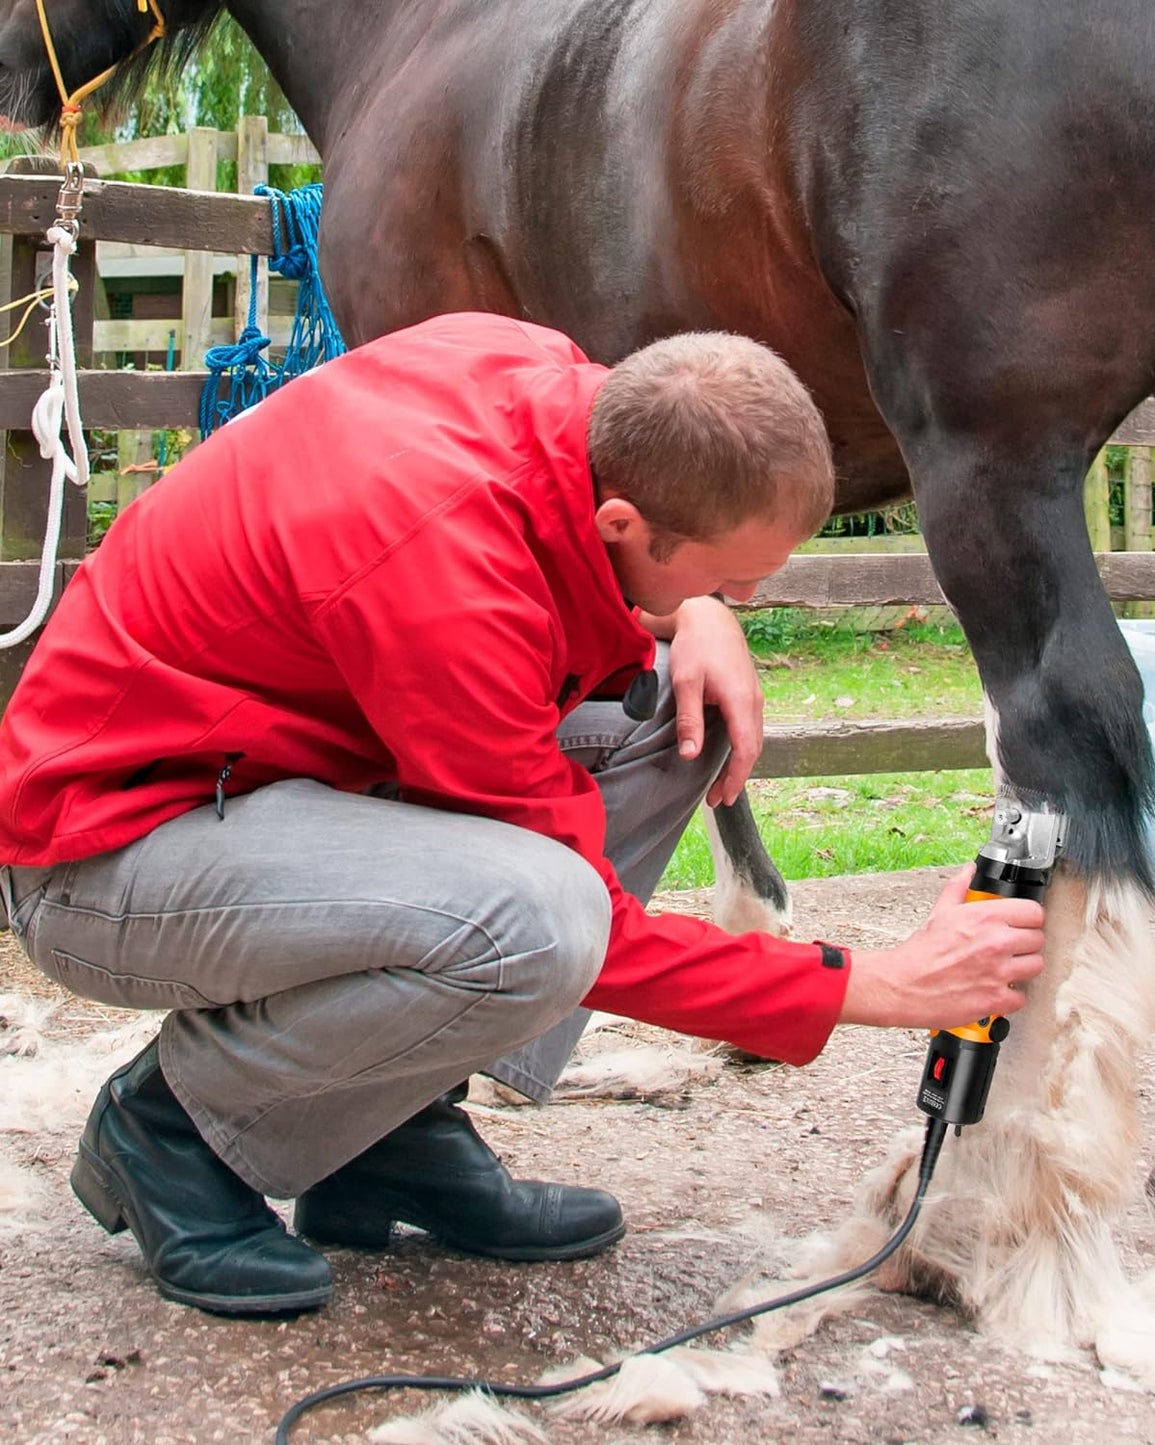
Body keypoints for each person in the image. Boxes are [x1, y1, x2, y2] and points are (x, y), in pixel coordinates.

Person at [0, 312, 1045, 1317]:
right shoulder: (444, 574)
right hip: (110, 855)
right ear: (623, 524)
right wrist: (878, 984)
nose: (745, 598)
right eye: (733, 577)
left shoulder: (552, 385)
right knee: (537, 922)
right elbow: (591, 932)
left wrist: (698, 609)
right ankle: (171, 1125)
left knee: (679, 715)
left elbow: (587, 606)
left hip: (288, 777)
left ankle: (388, 1126)